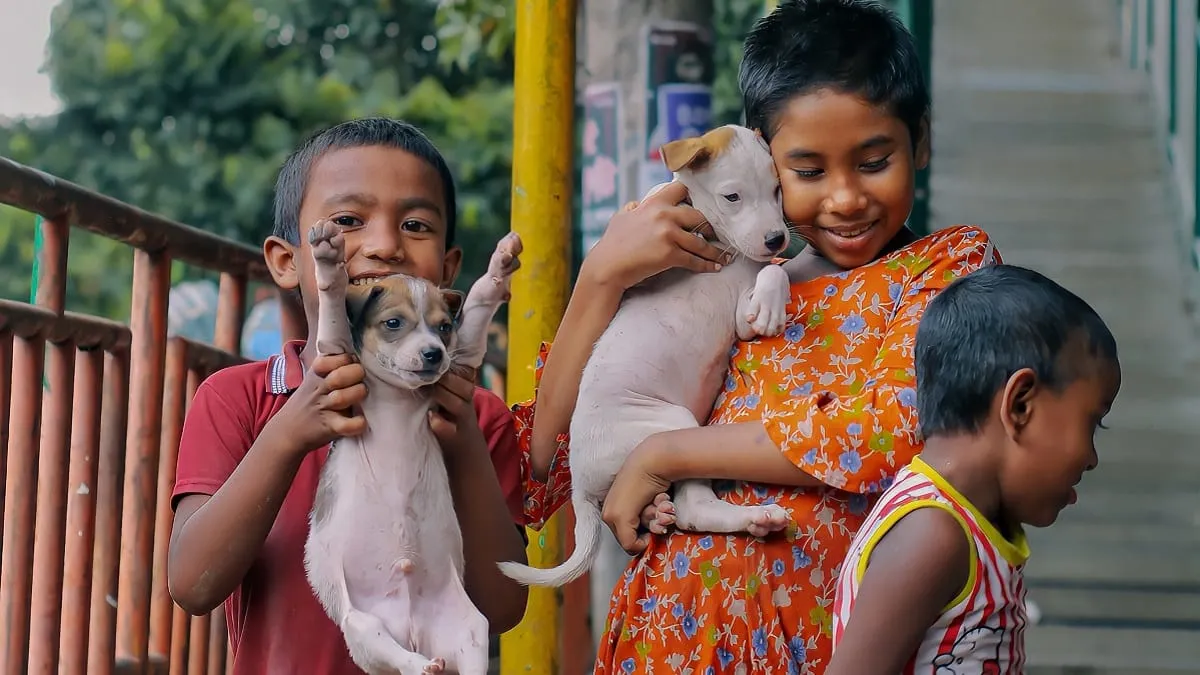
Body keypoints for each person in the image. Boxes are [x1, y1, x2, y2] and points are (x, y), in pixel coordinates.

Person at [512, 0, 1003, 671]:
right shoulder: (728, 275)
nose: (844, 197)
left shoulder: (948, 269)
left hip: (818, 647)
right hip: (663, 646)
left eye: (873, 159)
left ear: (920, 139)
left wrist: (664, 456)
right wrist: (600, 278)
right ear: (764, 159)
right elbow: (543, 473)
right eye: (808, 170)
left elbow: (887, 429)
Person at [167, 118, 529, 674]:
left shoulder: (480, 416)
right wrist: (289, 432)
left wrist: (463, 445)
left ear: (449, 270)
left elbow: (501, 608)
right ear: (288, 261)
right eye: (346, 221)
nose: (384, 245)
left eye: (414, 224)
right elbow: (193, 584)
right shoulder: (239, 398)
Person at [827, 264, 1121, 674]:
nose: (1091, 458)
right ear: (1020, 405)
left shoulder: (966, 526)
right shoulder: (933, 536)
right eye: (1092, 421)